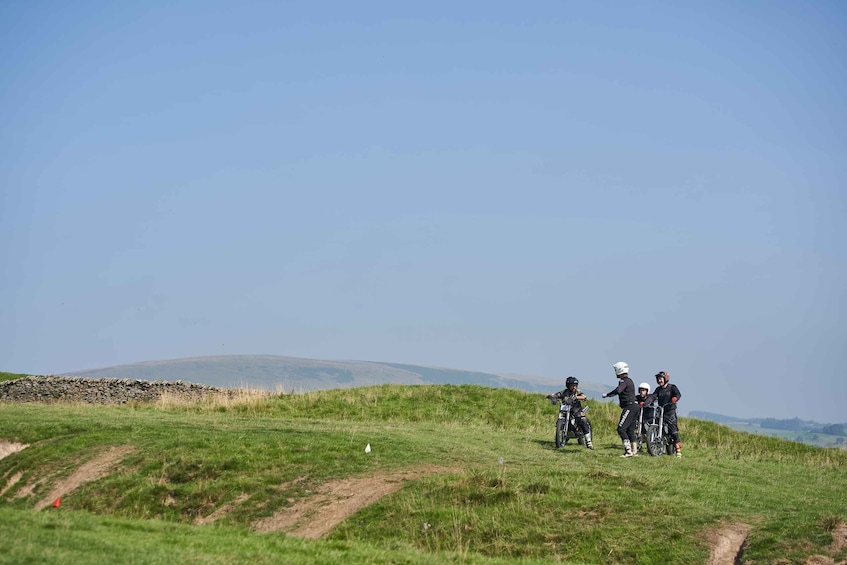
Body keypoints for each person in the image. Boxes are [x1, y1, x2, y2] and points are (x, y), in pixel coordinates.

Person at [601, 362, 639, 457]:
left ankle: (628, 451)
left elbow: (618, 390)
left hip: (629, 406)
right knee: (630, 430)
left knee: (621, 429)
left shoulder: (623, 381)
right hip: (635, 406)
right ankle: (634, 451)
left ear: (619, 370)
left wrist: (607, 395)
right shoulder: (630, 380)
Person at [546, 376, 594, 449]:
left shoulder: (577, 392)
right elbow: (555, 394)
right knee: (561, 419)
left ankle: (589, 441)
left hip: (577, 411)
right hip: (566, 411)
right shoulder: (564, 392)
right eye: (572, 385)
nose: (574, 387)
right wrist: (552, 397)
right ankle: (562, 437)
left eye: (575, 385)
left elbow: (584, 397)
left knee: (583, 420)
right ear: (568, 385)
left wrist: (576, 397)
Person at [654, 370, 683, 458]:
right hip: (661, 411)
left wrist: (675, 398)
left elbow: (678, 394)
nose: (659, 381)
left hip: (670, 412)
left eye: (661, 379)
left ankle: (678, 450)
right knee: (656, 424)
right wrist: (646, 401)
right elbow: (653, 396)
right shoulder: (658, 389)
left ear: (665, 379)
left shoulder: (672, 387)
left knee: (673, 431)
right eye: (658, 379)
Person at [634, 382, 656, 453]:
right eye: (641, 390)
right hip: (640, 417)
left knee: (648, 428)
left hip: (649, 418)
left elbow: (650, 400)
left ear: (647, 391)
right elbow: (632, 400)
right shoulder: (637, 397)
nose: (642, 392)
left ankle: (651, 444)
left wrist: (644, 403)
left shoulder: (650, 397)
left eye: (644, 390)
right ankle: (637, 444)